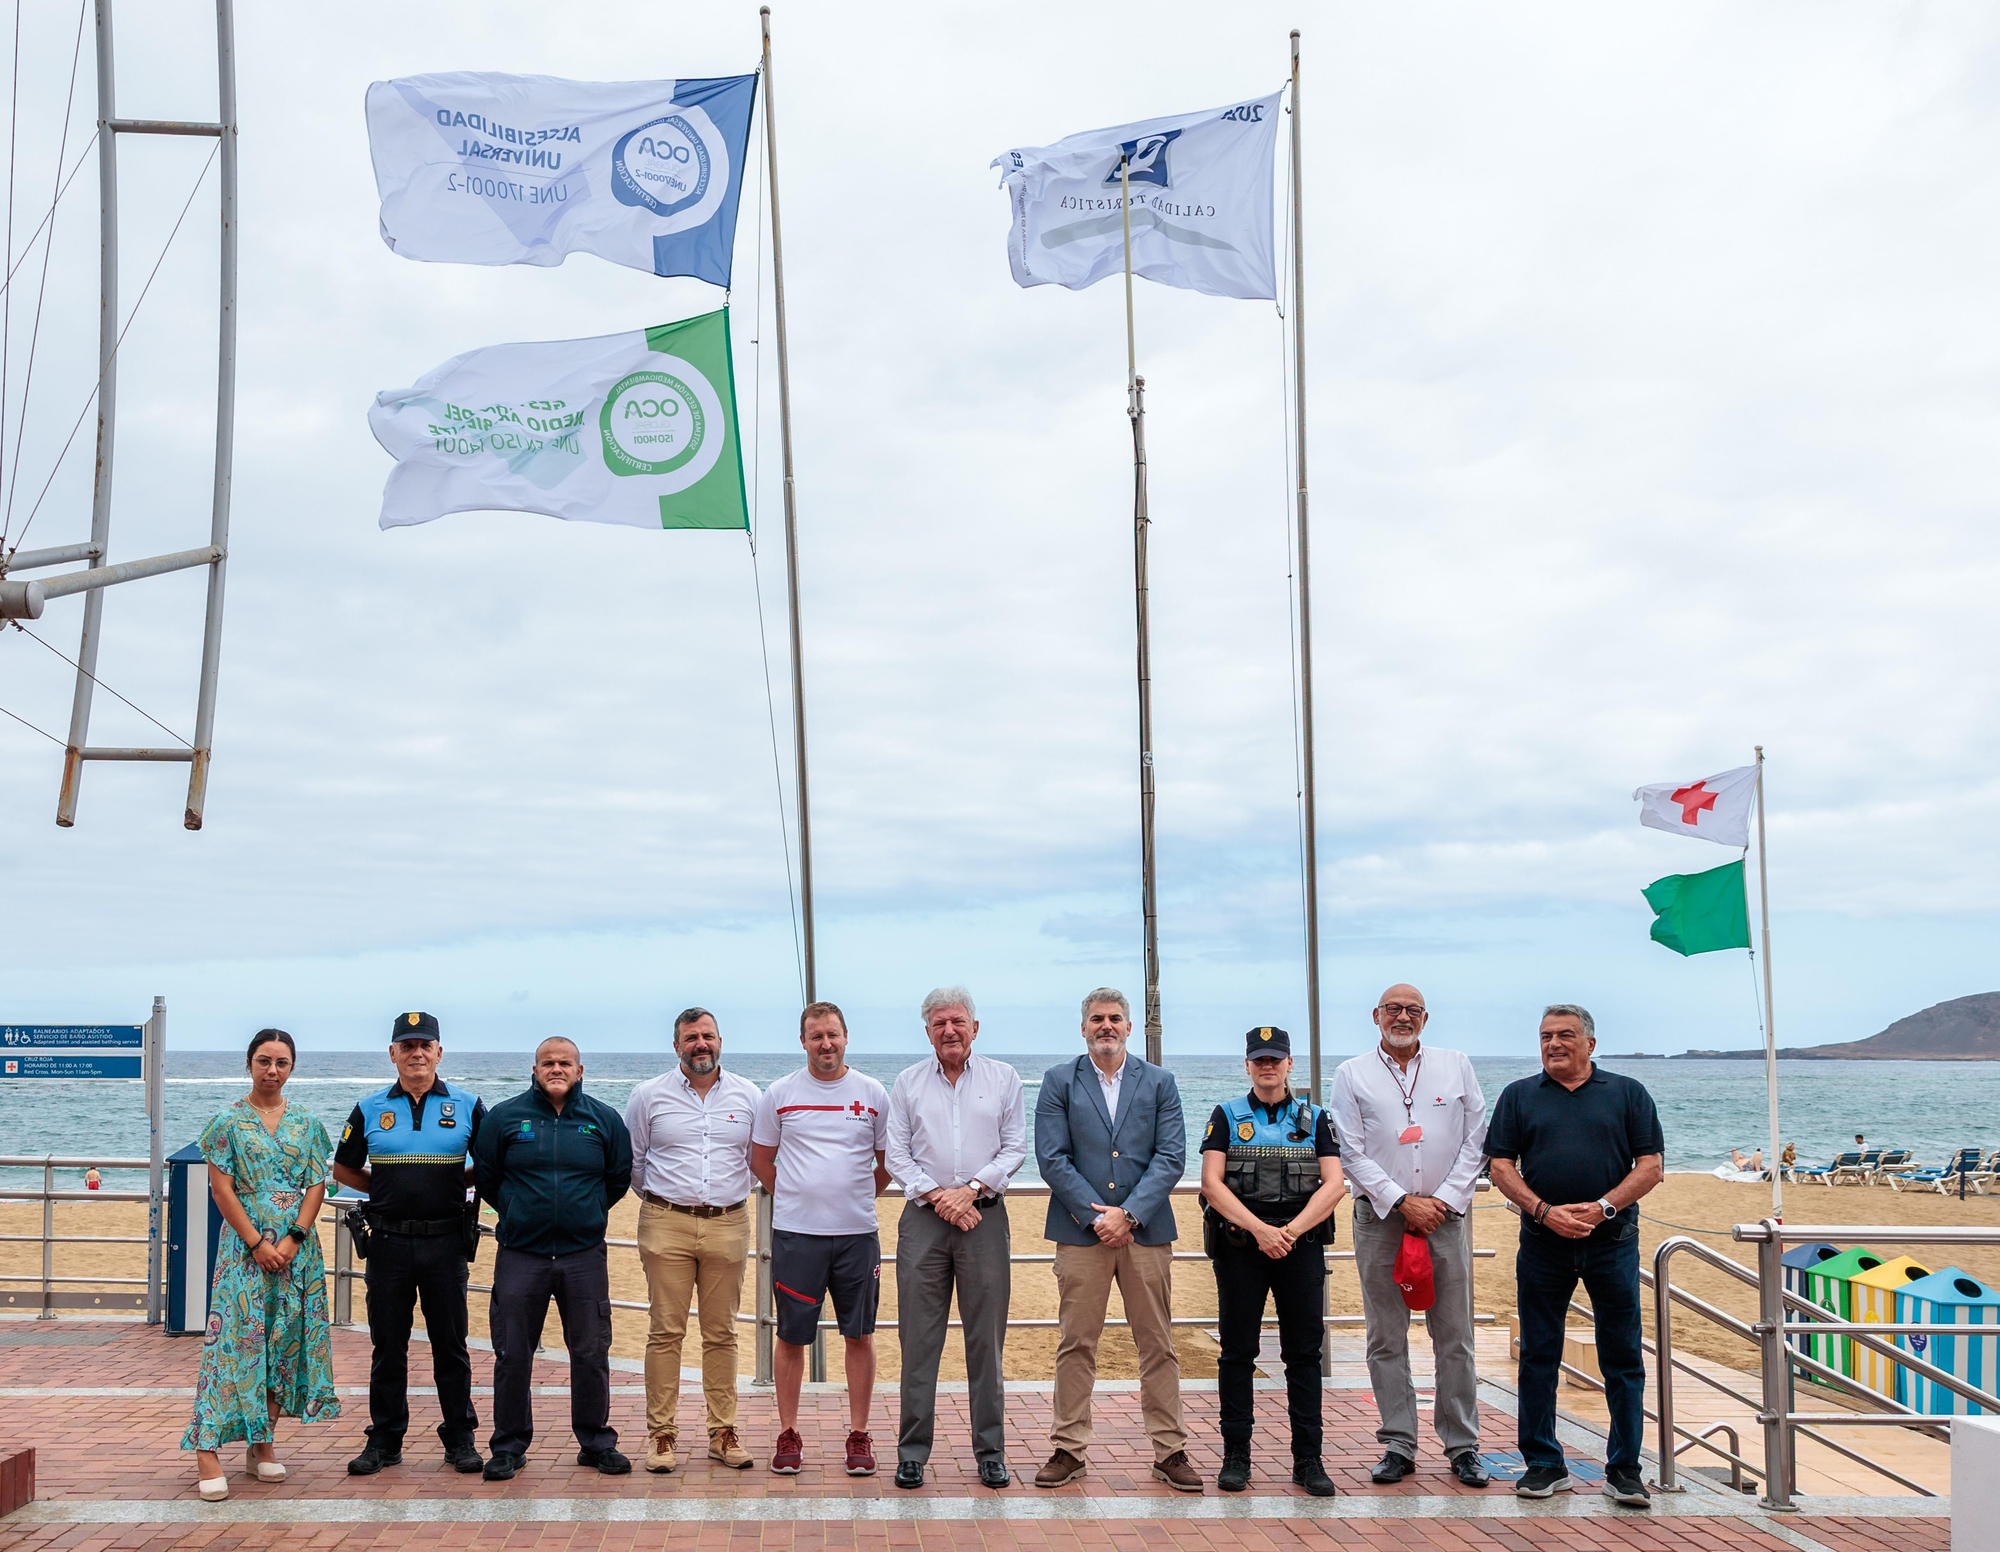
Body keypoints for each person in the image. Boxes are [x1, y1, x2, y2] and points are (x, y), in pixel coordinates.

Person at [1486, 1004, 1664, 1509]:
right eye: (1545, 1036)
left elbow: (1650, 1166)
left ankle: (1625, 1469)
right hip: (1543, 1245)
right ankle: (1543, 1464)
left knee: (1623, 1358)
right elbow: (1500, 1166)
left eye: (1565, 1035)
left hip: (1611, 1245)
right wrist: (1544, 1211)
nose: (1553, 1044)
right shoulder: (1519, 1096)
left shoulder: (1627, 1093)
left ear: (1590, 1043)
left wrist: (1606, 1207)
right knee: (1538, 1355)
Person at [1033, 988, 1202, 1493]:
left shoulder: (1160, 1082)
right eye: (1096, 1019)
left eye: (1115, 1019)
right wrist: (1097, 1217)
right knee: (1076, 1343)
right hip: (1080, 1234)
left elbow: (1171, 1156)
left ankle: (1169, 1450)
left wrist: (1128, 1214)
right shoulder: (1059, 1081)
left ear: (1129, 1027)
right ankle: (1068, 1448)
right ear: (1083, 1027)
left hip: (1145, 1234)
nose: (1106, 1026)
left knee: (1157, 1344)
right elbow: (1051, 1158)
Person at [1327, 985, 1490, 1488]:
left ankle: (1463, 1447)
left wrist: (1442, 1200)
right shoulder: (1351, 1074)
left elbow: (1477, 1137)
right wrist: (1402, 1200)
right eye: (1393, 1009)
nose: (1403, 1017)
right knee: (1384, 1337)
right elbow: (1349, 1150)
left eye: (1412, 1010)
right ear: (1376, 1016)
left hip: (1446, 1217)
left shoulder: (1455, 1064)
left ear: (1425, 1017)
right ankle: (1398, 1444)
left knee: (1455, 1336)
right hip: (1380, 1219)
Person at [181, 1029, 340, 1501]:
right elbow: (221, 1190)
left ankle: (261, 1445)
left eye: (282, 1062)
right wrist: (255, 1242)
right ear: (248, 1063)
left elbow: (317, 1184)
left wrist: (294, 1237)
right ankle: (206, 1448)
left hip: (298, 1254)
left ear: (293, 1067)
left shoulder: (309, 1124)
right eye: (264, 1060)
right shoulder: (226, 1123)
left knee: (283, 1343)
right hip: (244, 1255)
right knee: (233, 1344)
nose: (273, 1070)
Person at [472, 1036, 634, 1482]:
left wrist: (588, 1212)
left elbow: (618, 1177)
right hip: (521, 1254)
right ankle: (508, 1447)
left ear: (580, 1070)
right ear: (535, 1069)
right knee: (512, 1353)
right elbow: (488, 1177)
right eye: (548, 1062)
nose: (556, 1068)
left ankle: (596, 1442)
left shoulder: (603, 1119)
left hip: (583, 1256)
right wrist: (520, 1210)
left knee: (590, 1351)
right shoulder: (505, 1117)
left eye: (565, 1062)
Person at [884, 987, 1027, 1490]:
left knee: (985, 1341)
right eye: (940, 1023)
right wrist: (940, 1197)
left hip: (983, 1219)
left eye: (958, 1021)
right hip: (923, 1221)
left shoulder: (1004, 1078)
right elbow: (896, 1154)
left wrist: (969, 1191)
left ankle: (991, 1452)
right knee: (918, 1341)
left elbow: (1015, 1149)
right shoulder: (906, 1083)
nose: (950, 1030)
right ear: (927, 1031)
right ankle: (912, 1453)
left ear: (975, 1027)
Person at [332, 1011, 485, 1477]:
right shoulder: (369, 1107)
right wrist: (381, 1191)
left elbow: (494, 1161)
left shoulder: (468, 1104)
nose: (416, 1053)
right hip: (389, 1245)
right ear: (393, 1053)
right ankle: (384, 1441)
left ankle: (459, 1439)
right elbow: (343, 1168)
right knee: (387, 1348)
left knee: (451, 1347)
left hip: (446, 1243)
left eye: (425, 1045)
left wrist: (453, 1183)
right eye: (407, 1045)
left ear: (439, 1052)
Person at [1199, 1026, 1344, 1497]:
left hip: (1298, 1249)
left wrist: (1290, 1233)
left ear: (1289, 1064)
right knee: (1237, 1353)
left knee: (1303, 1355)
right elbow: (1211, 1184)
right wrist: (1262, 1231)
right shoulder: (1225, 1116)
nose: (1267, 1066)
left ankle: (1308, 1460)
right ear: (1247, 1065)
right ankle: (1236, 1456)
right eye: (1259, 1060)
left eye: (1275, 1059)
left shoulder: (1317, 1118)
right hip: (1242, 1249)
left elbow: (1334, 1183)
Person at [751, 1001, 892, 1476]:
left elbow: (887, 1163)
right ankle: (788, 1433)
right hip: (796, 1237)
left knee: (860, 1334)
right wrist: (798, 1196)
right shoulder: (780, 1093)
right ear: (803, 1041)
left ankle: (858, 1434)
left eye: (832, 1034)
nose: (825, 1043)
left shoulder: (872, 1092)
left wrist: (849, 1197)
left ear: (846, 1036)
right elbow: (761, 1158)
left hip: (857, 1236)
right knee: (791, 1338)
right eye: (816, 1036)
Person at [623, 1007, 761, 1473]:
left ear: (720, 1040)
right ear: (676, 1045)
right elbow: (635, 1163)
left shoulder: (749, 1095)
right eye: (690, 1037)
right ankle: (662, 1436)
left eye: (707, 1036)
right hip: (666, 1222)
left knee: (721, 1333)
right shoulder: (647, 1096)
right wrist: (668, 1204)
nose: (700, 1044)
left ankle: (722, 1433)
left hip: (728, 1222)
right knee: (665, 1332)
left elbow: (755, 1157)